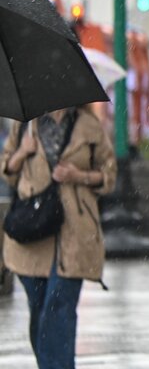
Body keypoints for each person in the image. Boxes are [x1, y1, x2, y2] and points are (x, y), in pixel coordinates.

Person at [1, 106, 117, 369]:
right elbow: (6, 168)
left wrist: (79, 176)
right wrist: (22, 153)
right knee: (39, 310)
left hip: (75, 230)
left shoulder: (89, 125)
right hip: (33, 231)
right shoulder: (25, 125)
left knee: (59, 307)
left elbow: (109, 175)